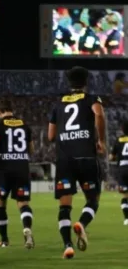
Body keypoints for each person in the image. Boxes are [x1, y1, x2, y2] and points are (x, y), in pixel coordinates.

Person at [48, 66, 106, 259]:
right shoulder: (91, 99)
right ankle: (81, 223)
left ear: (69, 82)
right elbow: (98, 114)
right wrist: (101, 140)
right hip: (86, 157)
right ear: (86, 82)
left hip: (65, 160)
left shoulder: (58, 104)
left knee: (64, 207)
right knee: (93, 199)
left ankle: (67, 246)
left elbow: (50, 135)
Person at [0, 99, 35, 249]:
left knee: (1, 203)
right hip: (22, 167)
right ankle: (27, 229)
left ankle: (4, 240)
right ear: (12, 110)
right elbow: (31, 150)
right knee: (23, 203)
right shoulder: (24, 125)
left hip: (4, 168)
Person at [109, 121, 128, 225]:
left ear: (122, 129)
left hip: (123, 169)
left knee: (125, 196)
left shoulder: (119, 140)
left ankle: (126, 219)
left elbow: (111, 157)